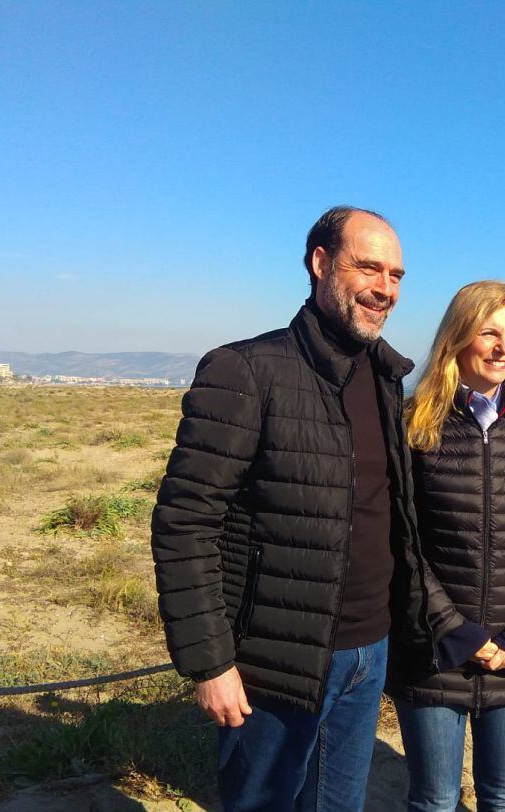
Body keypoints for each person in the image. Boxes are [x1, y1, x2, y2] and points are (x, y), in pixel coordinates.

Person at [151, 206, 434, 812]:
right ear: (320, 263)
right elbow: (184, 521)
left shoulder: (384, 379)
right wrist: (210, 664)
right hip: (274, 662)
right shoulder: (247, 370)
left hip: (368, 651)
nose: (385, 288)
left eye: (397, 275)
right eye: (368, 268)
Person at [386, 280, 505, 812]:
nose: (502, 347)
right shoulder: (414, 421)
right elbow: (403, 541)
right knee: (435, 799)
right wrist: (457, 632)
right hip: (434, 651)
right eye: (489, 332)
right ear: (458, 338)